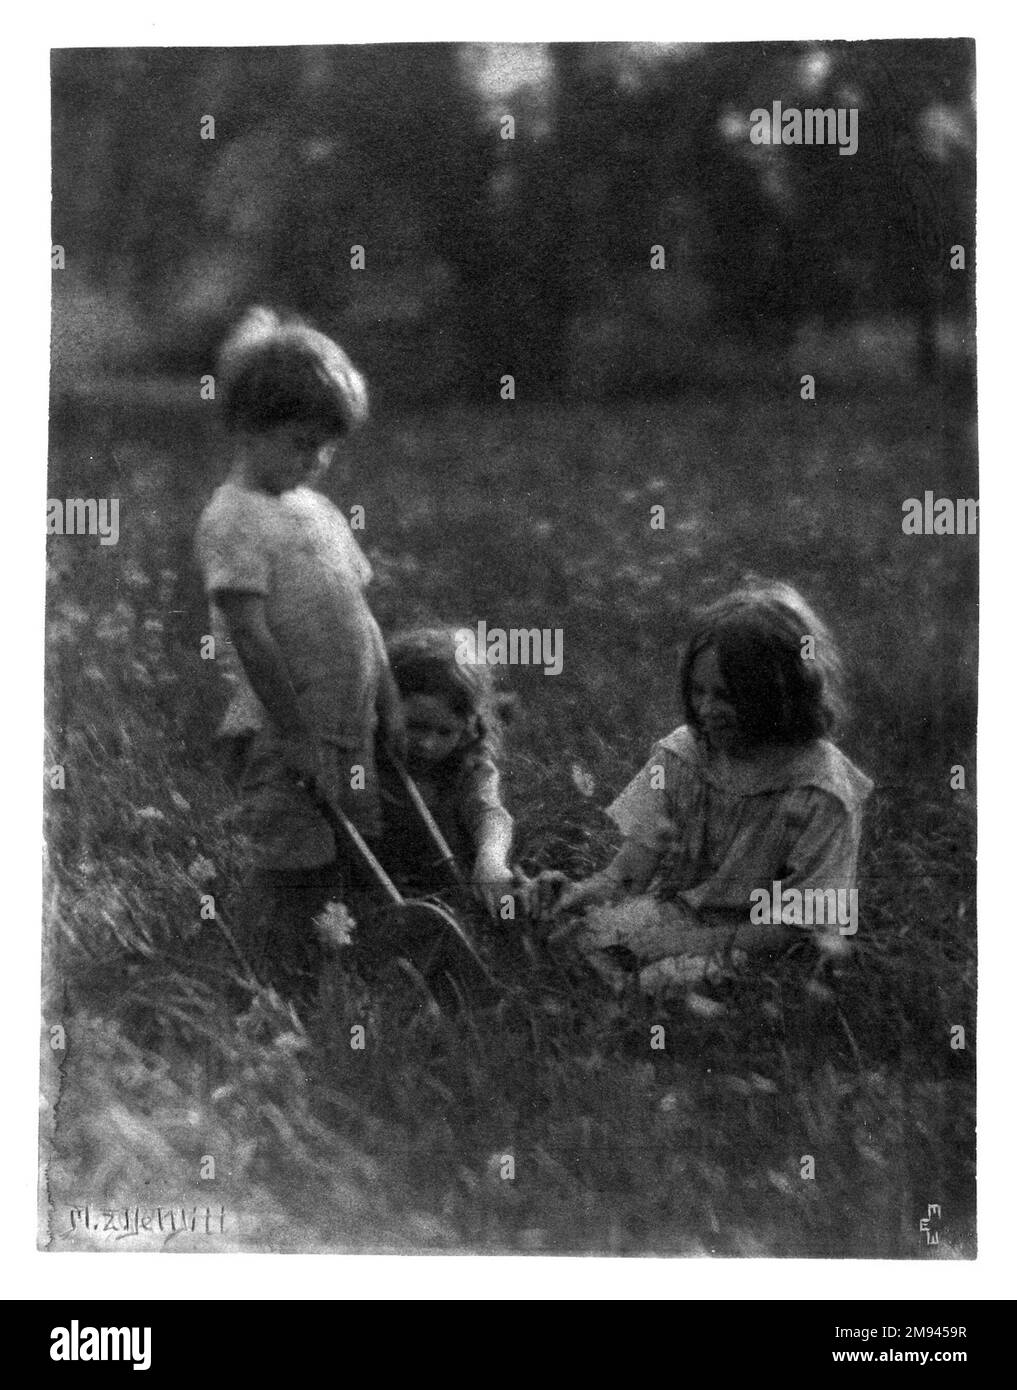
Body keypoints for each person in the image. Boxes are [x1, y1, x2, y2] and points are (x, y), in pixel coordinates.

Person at [194, 306, 405, 1001]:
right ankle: (272, 987)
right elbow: (251, 635)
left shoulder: (318, 512)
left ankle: (340, 974)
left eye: (326, 448)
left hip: (348, 726)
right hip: (283, 734)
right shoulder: (234, 518)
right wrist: (293, 735)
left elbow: (358, 612)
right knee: (291, 861)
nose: (314, 461)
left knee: (350, 850)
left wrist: (388, 701)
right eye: (300, 443)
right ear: (248, 426)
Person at [533, 580, 873, 996]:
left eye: (728, 696)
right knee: (567, 940)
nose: (708, 710)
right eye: (698, 692)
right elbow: (627, 874)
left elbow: (802, 926)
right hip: (676, 916)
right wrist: (577, 894)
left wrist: (676, 946)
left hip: (760, 942)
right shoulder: (685, 756)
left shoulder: (821, 789)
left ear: (782, 693)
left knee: (655, 984)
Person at [376, 626, 516, 919]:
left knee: (511, 910)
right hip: (374, 886)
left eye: (445, 732)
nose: (428, 744)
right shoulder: (369, 757)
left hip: (448, 895)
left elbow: (489, 813)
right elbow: (353, 785)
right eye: (415, 726)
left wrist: (490, 859)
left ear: (468, 728)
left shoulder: (468, 766)